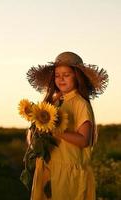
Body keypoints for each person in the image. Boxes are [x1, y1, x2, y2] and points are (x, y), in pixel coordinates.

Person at [26, 51, 108, 200]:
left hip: (68, 172)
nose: (61, 79)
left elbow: (84, 140)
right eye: (57, 75)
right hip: (49, 168)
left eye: (66, 74)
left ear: (77, 76)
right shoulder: (55, 102)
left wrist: (56, 131)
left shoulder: (80, 103)